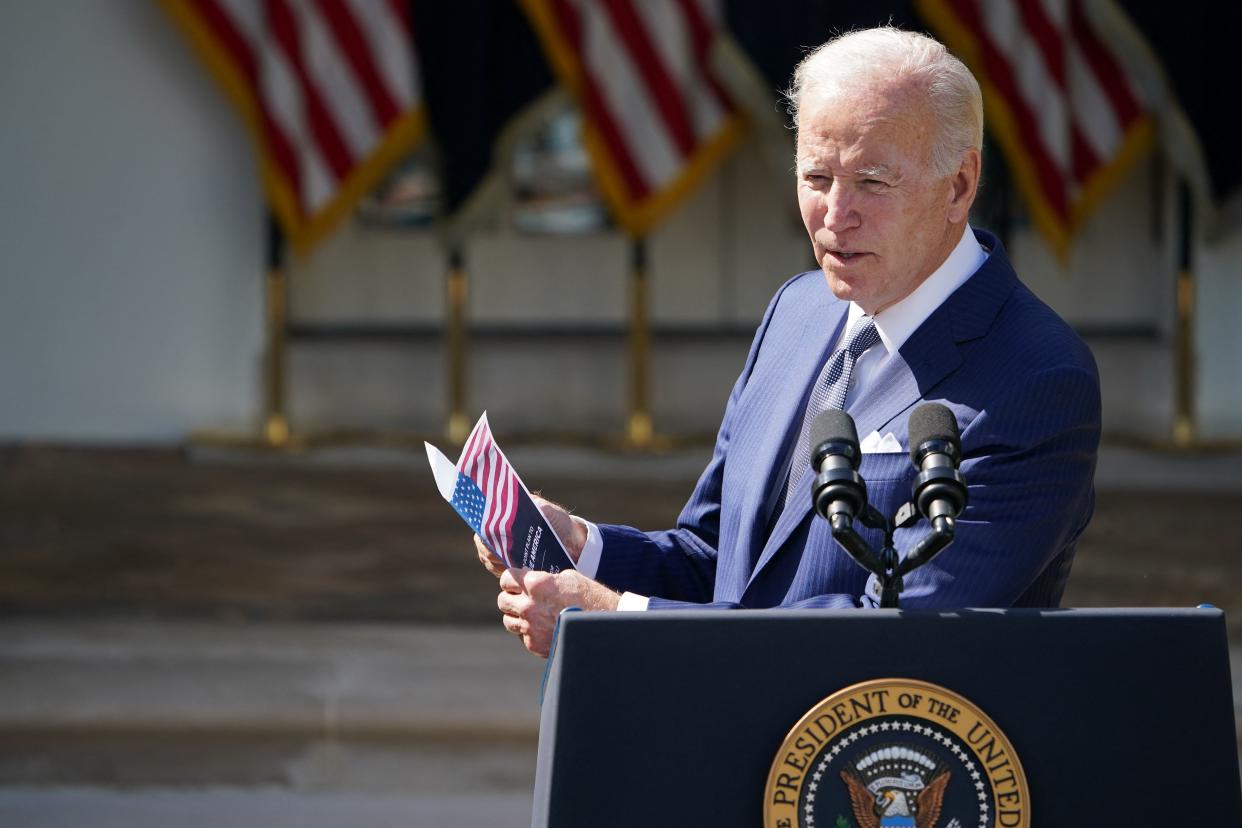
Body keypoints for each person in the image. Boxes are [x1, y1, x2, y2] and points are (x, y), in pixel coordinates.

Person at [478, 27, 1100, 658]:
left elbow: (898, 636)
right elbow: (719, 562)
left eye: (873, 182)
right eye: (816, 176)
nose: (835, 213)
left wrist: (613, 620)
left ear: (960, 186)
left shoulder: (1037, 377)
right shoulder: (798, 311)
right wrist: (585, 546)